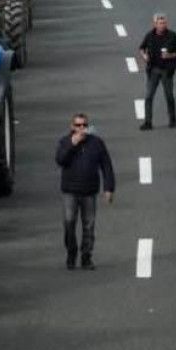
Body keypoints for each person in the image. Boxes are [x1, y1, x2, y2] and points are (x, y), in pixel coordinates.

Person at [55, 112, 115, 270]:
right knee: (69, 222)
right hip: (70, 191)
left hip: (89, 191)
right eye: (78, 125)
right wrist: (72, 144)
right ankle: (71, 252)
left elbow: (106, 165)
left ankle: (86, 256)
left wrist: (108, 188)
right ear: (72, 127)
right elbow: (60, 160)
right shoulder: (65, 142)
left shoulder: (96, 143)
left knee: (89, 225)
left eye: (84, 125)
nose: (81, 128)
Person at [138, 13, 176, 129]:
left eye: (164, 23)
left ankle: (172, 119)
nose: (162, 25)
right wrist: (144, 56)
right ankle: (148, 122)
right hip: (153, 69)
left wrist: (169, 55)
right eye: (160, 23)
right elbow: (142, 48)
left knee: (169, 95)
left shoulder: (172, 36)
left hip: (167, 70)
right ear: (155, 24)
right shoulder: (150, 36)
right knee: (149, 96)